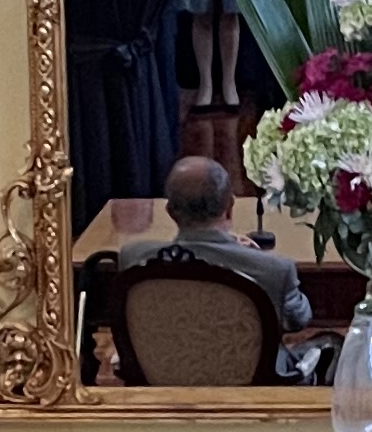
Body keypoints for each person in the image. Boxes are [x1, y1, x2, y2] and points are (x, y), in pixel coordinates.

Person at [115, 153, 317, 372]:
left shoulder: (132, 258)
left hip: (163, 388)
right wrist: (251, 255)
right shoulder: (272, 269)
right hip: (252, 394)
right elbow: (298, 320)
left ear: (170, 212)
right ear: (230, 206)